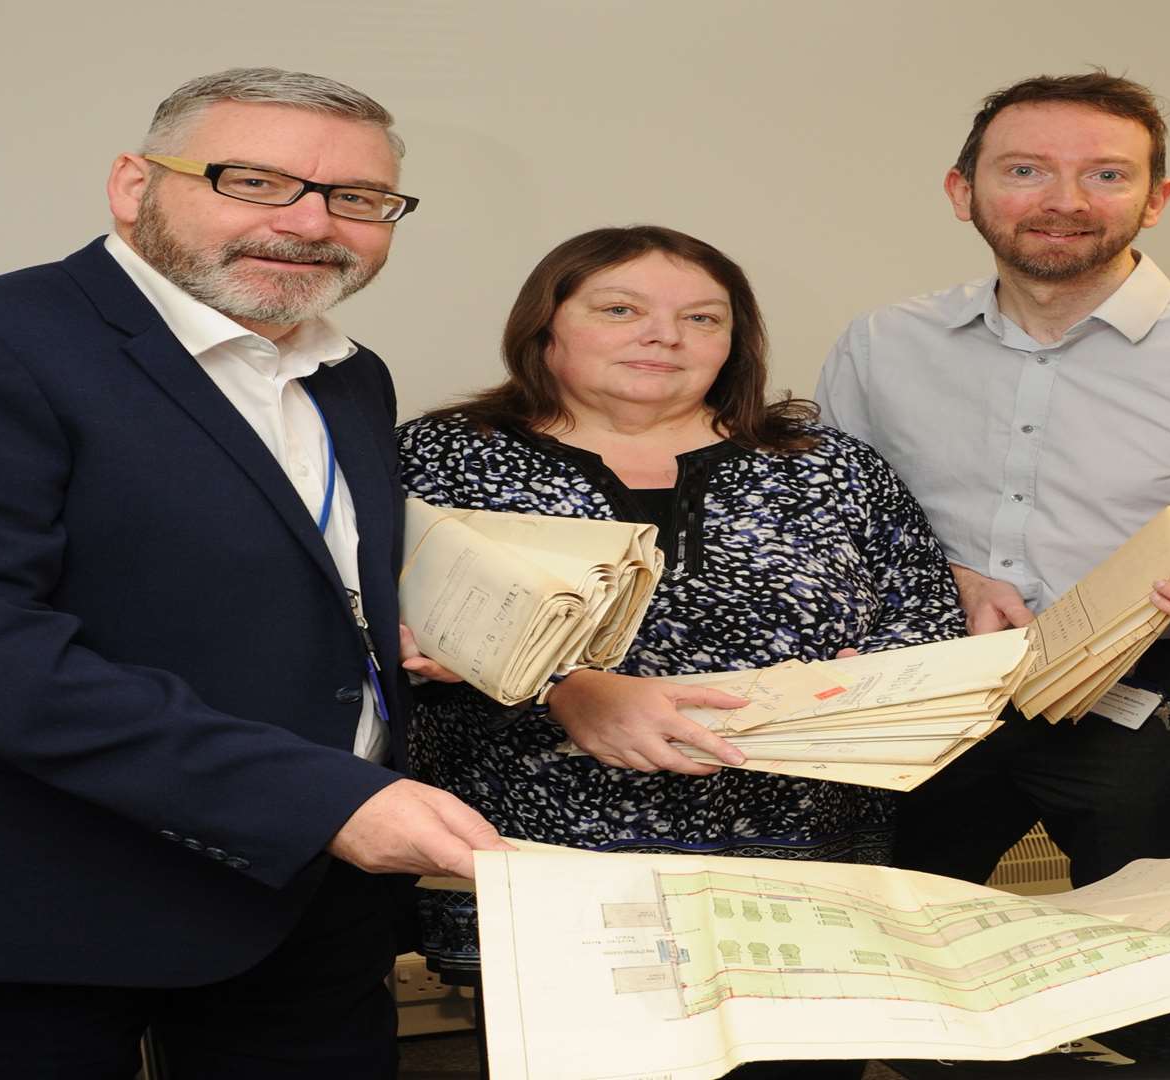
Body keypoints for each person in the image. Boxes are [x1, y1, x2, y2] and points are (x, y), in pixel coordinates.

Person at [0, 68, 504, 1079]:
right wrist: (320, 800)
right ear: (135, 185)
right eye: (253, 181)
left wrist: (389, 631)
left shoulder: (350, 374)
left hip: (303, 912)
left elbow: (271, 569)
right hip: (25, 914)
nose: (309, 224)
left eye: (358, 199)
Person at [397, 225, 963, 1071]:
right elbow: (385, 633)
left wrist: (878, 684)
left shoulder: (829, 468)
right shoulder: (439, 458)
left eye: (704, 319)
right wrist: (554, 680)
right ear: (545, 325)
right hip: (556, 874)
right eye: (620, 309)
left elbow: (925, 618)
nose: (665, 336)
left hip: (802, 870)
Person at [815, 72, 1170, 887]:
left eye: (1106, 174)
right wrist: (945, 578)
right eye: (1025, 170)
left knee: (1167, 946)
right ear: (964, 191)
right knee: (873, 918)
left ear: (1156, 199)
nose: (1064, 199)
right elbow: (833, 525)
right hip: (936, 681)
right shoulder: (881, 346)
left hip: (1155, 695)